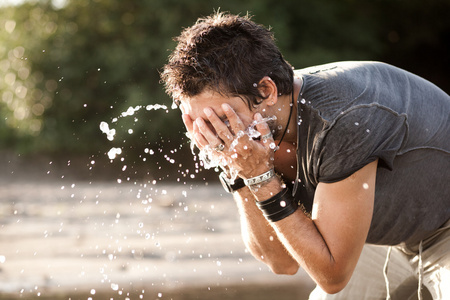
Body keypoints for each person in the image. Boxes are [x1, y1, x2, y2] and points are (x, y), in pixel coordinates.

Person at [161, 12, 450, 300]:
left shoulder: (344, 117)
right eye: (203, 123)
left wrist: (260, 178)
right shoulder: (262, 126)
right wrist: (238, 171)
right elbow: (280, 262)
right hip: (383, 235)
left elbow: (332, 275)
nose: (217, 134)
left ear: (266, 90)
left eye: (223, 119)